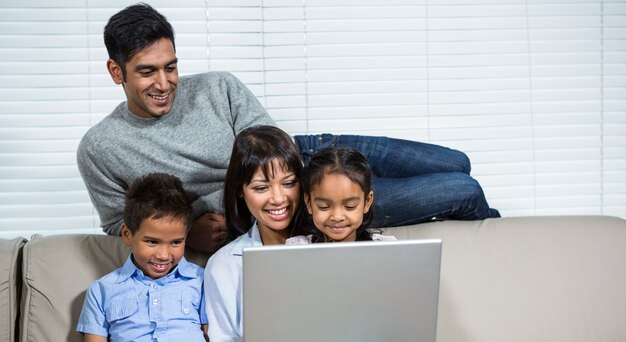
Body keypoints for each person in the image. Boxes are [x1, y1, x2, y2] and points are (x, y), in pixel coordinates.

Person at [76, 3, 500, 255]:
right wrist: (187, 230)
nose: (165, 83)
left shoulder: (218, 86)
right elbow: (120, 225)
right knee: (462, 190)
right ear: (117, 72)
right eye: (148, 72)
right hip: (298, 199)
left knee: (457, 162)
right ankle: (499, 244)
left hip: (307, 155)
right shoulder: (101, 147)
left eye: (171, 67)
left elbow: (271, 149)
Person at [205, 125, 403, 342]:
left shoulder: (336, 233)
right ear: (240, 191)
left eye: (289, 183)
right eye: (261, 188)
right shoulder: (224, 265)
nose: (278, 199)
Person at [271, 146, 443, 342]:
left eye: (349, 206)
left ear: (366, 202)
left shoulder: (387, 248)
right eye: (324, 206)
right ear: (308, 203)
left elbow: (403, 315)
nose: (337, 216)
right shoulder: (296, 249)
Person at [75, 172, 232, 342]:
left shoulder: (202, 280)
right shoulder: (102, 291)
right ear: (127, 235)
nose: (163, 255)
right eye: (152, 242)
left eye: (176, 242)